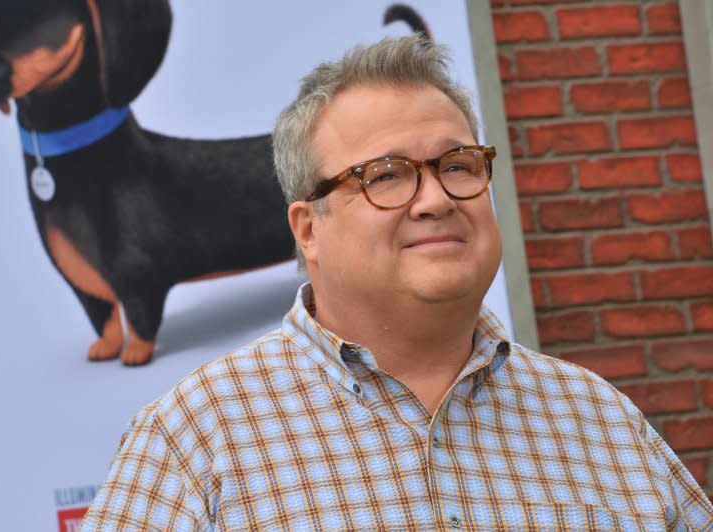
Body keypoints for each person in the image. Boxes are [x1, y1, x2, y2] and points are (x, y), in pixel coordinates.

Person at [82, 36, 713, 530]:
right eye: (386, 176)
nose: (436, 199)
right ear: (308, 230)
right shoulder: (197, 437)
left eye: (458, 166)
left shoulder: (598, 419)